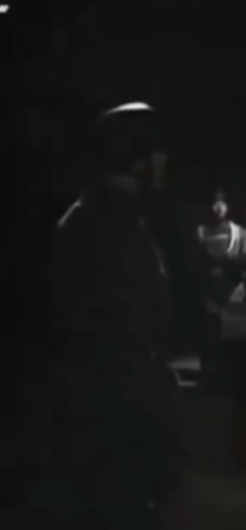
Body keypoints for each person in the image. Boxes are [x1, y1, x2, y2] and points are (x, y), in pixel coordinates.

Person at [17, 101, 184, 528]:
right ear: (137, 158)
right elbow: (119, 321)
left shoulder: (103, 213)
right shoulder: (110, 220)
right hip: (112, 408)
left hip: (106, 399)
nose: (165, 162)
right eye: (157, 152)